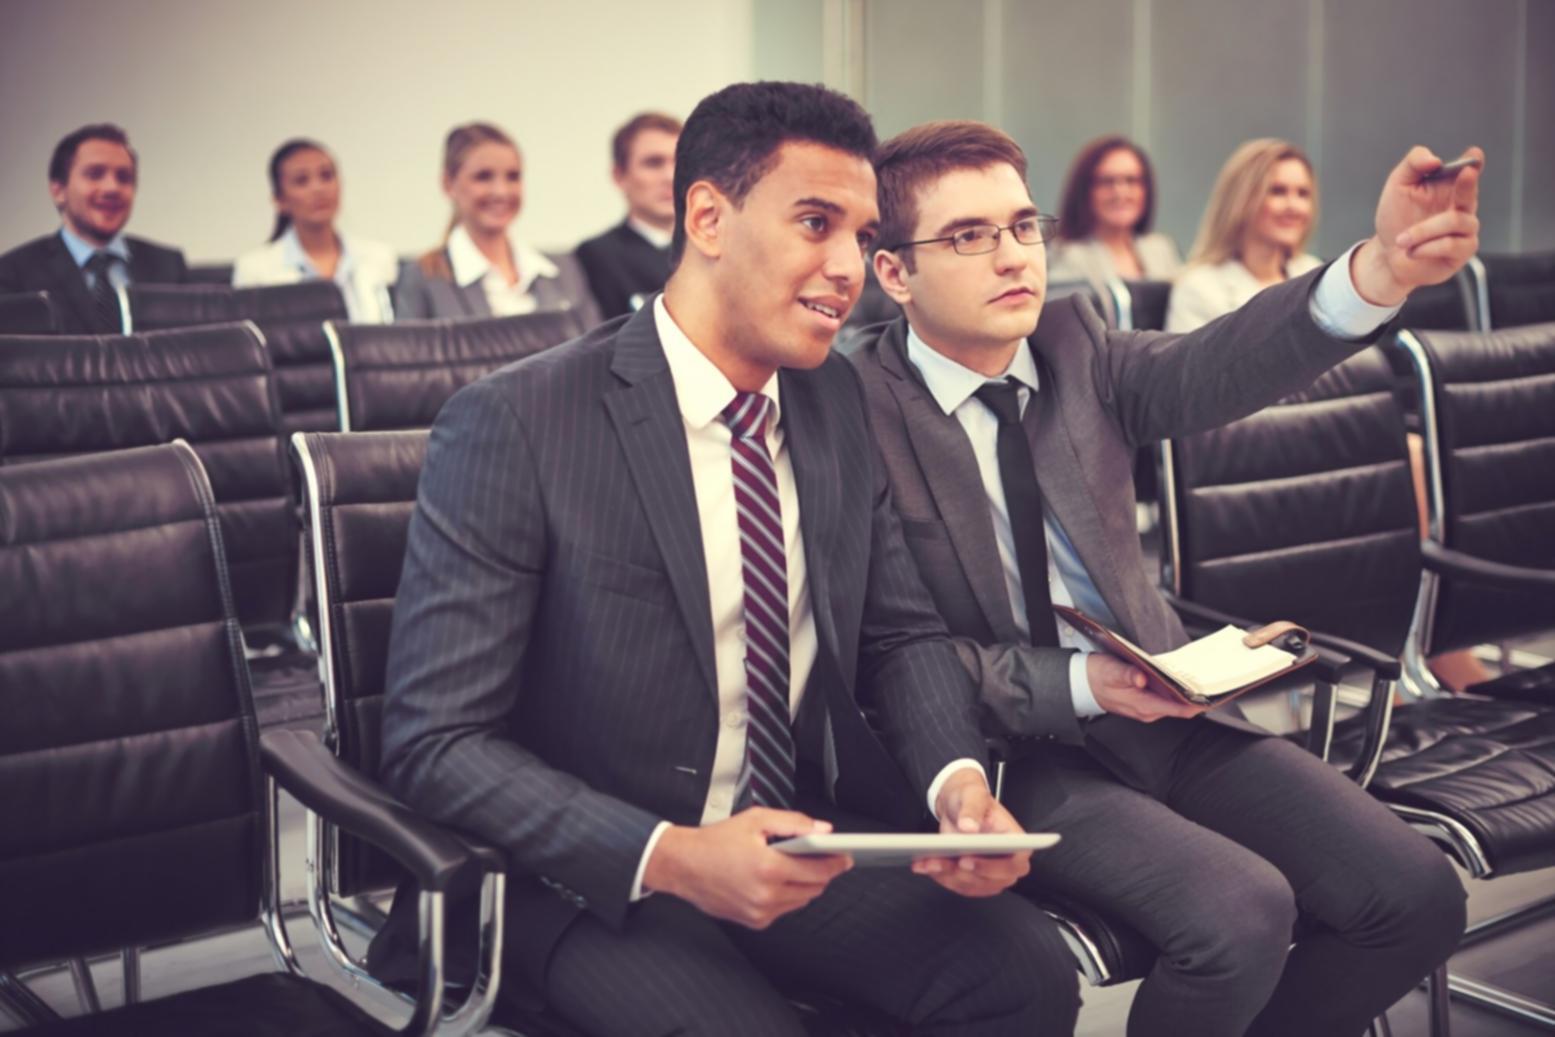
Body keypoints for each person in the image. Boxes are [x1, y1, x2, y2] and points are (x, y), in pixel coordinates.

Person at [368, 84, 1080, 1036]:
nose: (848, 268)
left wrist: (957, 787)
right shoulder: (518, 421)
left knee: (1024, 974)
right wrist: (669, 854)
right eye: (814, 224)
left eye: (862, 235)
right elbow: (436, 742)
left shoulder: (831, 400)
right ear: (706, 217)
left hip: (788, 837)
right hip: (580, 876)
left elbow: (900, 634)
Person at [852, 119, 1480, 1037]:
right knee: (1241, 914)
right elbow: (895, 653)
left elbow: (1221, 362)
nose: (1012, 255)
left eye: (1022, 226)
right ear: (894, 273)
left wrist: (1379, 269)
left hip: (1164, 712)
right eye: (968, 236)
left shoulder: (1076, 346)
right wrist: (1079, 683)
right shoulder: (853, 409)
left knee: (1416, 895)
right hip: (1006, 751)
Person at [393, 122, 601, 326]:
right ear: (448, 184)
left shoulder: (564, 269)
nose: (501, 191)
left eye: (513, 177)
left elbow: (595, 343)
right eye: (483, 177)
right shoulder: (423, 278)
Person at [0, 123, 186, 334]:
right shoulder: (14, 273)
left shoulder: (168, 266)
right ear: (59, 191)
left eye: (124, 177)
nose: (112, 188)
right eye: (95, 174)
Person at [232, 138, 398, 323]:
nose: (318, 189)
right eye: (301, 181)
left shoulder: (380, 257)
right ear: (279, 200)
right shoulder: (254, 270)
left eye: (326, 176)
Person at [1166, 138, 1322, 332]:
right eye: (1277, 191)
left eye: (1303, 194)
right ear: (1241, 200)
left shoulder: (1314, 275)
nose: (1294, 206)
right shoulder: (1198, 288)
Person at [575, 112, 681, 318]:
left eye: (680, 162)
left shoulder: (717, 247)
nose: (670, 176)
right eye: (653, 163)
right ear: (619, 176)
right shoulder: (597, 256)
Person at [1049, 135, 1181, 299]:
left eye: (1131, 181)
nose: (1120, 193)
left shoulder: (1161, 249)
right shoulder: (1067, 255)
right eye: (1107, 182)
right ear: (1085, 191)